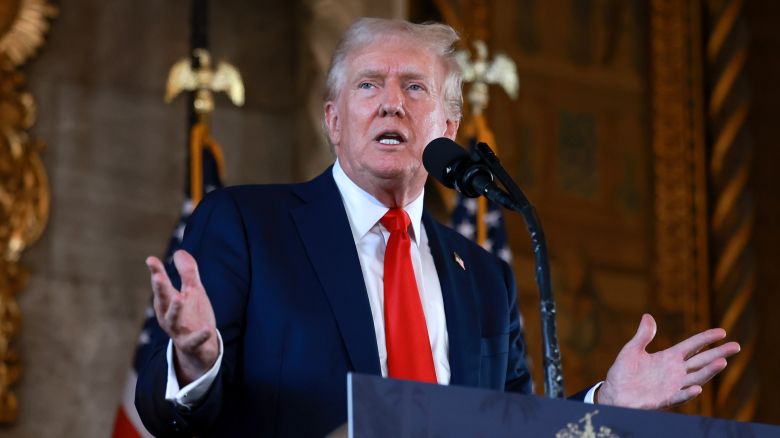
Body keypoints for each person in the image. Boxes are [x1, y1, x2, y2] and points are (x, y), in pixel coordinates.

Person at [135, 18, 740, 437]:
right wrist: (195, 360)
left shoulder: (485, 281)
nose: (390, 103)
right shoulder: (247, 225)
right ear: (334, 121)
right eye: (368, 85)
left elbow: (515, 429)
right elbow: (168, 418)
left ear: (447, 128)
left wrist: (608, 406)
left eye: (414, 87)